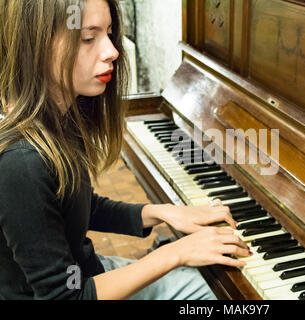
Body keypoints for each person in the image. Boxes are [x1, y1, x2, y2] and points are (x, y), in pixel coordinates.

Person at [0, 0, 250, 300]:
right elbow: (65, 297)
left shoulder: (58, 117)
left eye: (109, 33)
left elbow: (75, 208)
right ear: (36, 46)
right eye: (88, 38)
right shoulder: (22, 163)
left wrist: (163, 213)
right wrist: (175, 254)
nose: (113, 51)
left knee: (210, 277)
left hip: (87, 273)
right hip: (79, 289)